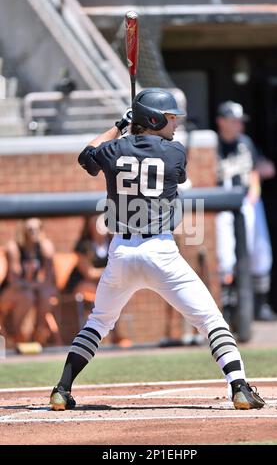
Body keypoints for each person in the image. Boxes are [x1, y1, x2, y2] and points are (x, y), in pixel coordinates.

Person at [49, 88, 265, 411]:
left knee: (98, 322)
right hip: (160, 251)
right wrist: (134, 132)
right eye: (169, 118)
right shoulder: (175, 153)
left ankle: (61, 389)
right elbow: (174, 172)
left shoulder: (113, 149)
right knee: (211, 319)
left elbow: (86, 156)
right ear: (153, 118)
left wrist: (121, 126)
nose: (174, 124)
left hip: (120, 252)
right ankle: (239, 387)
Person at [215, 101, 277, 322]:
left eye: (240, 121)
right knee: (225, 256)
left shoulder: (245, 143)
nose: (238, 125)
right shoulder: (212, 145)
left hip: (248, 203)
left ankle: (261, 306)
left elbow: (255, 169)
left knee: (260, 252)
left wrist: (254, 191)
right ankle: (229, 307)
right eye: (233, 121)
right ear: (221, 121)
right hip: (222, 205)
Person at [65, 214, 131, 346]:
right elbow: (89, 272)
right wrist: (111, 271)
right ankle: (92, 336)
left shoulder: (113, 241)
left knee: (116, 294)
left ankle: (116, 335)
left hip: (103, 283)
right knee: (103, 295)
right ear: (89, 224)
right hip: (83, 284)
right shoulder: (83, 245)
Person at [0, 218, 60, 346]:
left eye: (38, 229)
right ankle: (18, 335)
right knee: (27, 296)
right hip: (10, 292)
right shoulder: (14, 247)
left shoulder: (43, 246)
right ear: (23, 231)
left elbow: (49, 281)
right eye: (30, 230)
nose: (34, 233)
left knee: (46, 294)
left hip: (32, 289)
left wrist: (47, 249)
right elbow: (14, 282)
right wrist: (35, 285)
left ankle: (38, 332)